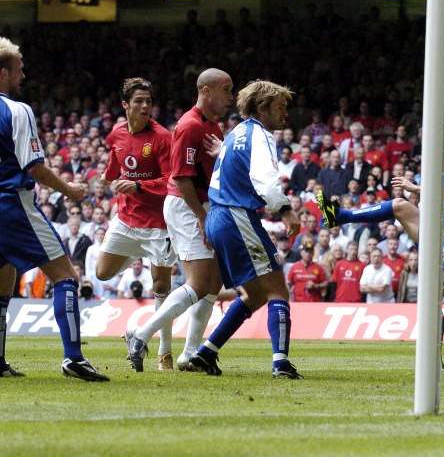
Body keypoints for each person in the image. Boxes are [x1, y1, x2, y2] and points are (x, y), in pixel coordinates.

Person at [0, 37, 107, 381]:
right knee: (65, 277)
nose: (23, 75)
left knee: (3, 279)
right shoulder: (18, 111)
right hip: (13, 204)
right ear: (3, 74)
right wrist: (69, 189)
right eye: (19, 70)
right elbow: (34, 167)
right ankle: (73, 358)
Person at [187, 80, 303, 379]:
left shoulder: (236, 132)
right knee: (277, 289)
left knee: (254, 294)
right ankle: (280, 363)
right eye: (280, 107)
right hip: (237, 215)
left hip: (218, 216)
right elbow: (265, 180)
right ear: (262, 107)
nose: (284, 114)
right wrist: (286, 210)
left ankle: (206, 353)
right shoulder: (260, 135)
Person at [127, 69, 233, 373]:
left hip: (202, 204)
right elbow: (182, 178)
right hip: (186, 205)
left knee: (213, 282)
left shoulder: (212, 125)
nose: (230, 97)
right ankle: (141, 334)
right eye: (226, 90)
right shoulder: (189, 126)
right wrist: (202, 218)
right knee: (199, 282)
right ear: (206, 91)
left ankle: (189, 355)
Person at [318, 131, 444, 289]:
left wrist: (414, 188)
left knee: (433, 293)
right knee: (398, 205)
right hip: (436, 232)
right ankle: (339, 215)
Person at [94, 78, 176, 370]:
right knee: (102, 273)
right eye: (138, 101)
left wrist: (139, 187)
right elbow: (113, 170)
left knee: (161, 286)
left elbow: (171, 181)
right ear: (125, 105)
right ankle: (135, 254)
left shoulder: (163, 137)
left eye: (148, 102)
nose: (144, 106)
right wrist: (103, 183)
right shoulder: (116, 134)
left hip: (157, 224)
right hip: (126, 220)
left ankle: (164, 353)